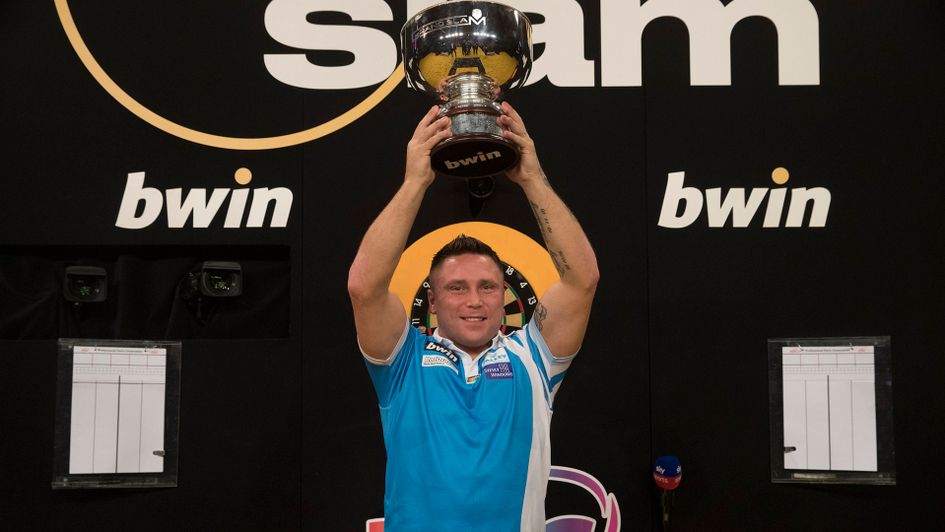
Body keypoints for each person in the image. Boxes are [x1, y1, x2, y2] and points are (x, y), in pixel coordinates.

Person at [348, 102, 599, 532]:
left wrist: (532, 179)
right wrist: (415, 183)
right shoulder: (402, 361)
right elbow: (364, 286)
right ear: (431, 301)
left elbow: (582, 279)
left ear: (505, 296)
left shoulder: (535, 358)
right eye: (456, 288)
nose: (474, 301)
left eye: (487, 287)